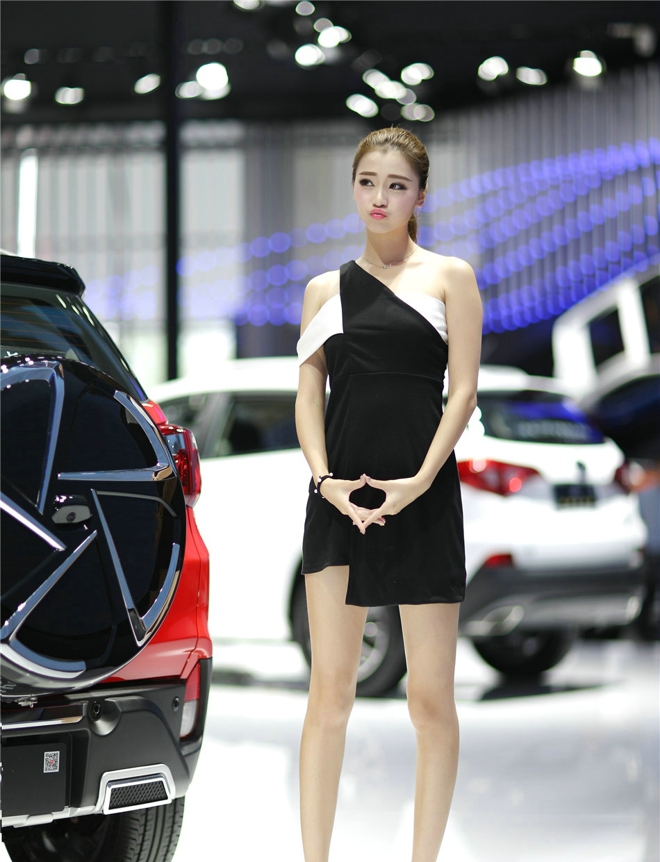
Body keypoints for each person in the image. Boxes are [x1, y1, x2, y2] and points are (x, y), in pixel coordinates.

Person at [295, 126, 482, 862]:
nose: (380, 197)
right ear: (353, 187)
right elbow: (309, 393)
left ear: (419, 197)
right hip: (338, 502)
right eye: (368, 182)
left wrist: (422, 480)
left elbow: (462, 391)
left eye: (397, 185)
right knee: (329, 696)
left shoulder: (450, 278)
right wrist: (325, 482)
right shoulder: (323, 290)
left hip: (423, 498)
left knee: (430, 703)